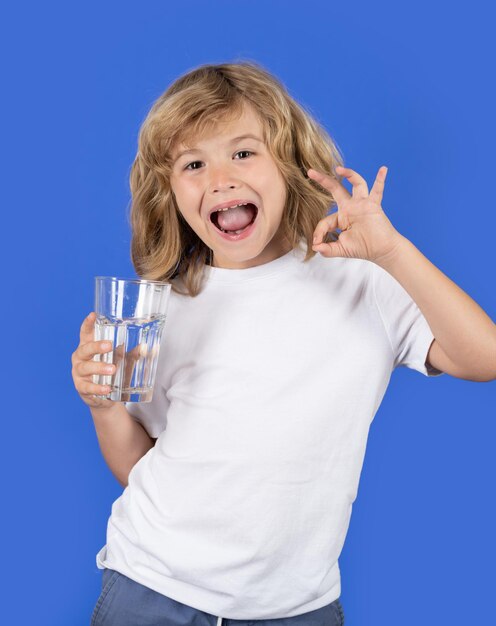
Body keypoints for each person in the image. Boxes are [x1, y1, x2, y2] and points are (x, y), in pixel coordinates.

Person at [71, 62, 496, 626]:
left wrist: (392, 252)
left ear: (289, 162)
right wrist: (104, 405)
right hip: (152, 589)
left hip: (297, 609)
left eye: (243, 153)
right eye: (193, 164)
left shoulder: (363, 281)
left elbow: (483, 357)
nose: (220, 178)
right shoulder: (165, 310)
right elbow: (139, 467)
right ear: (170, 193)